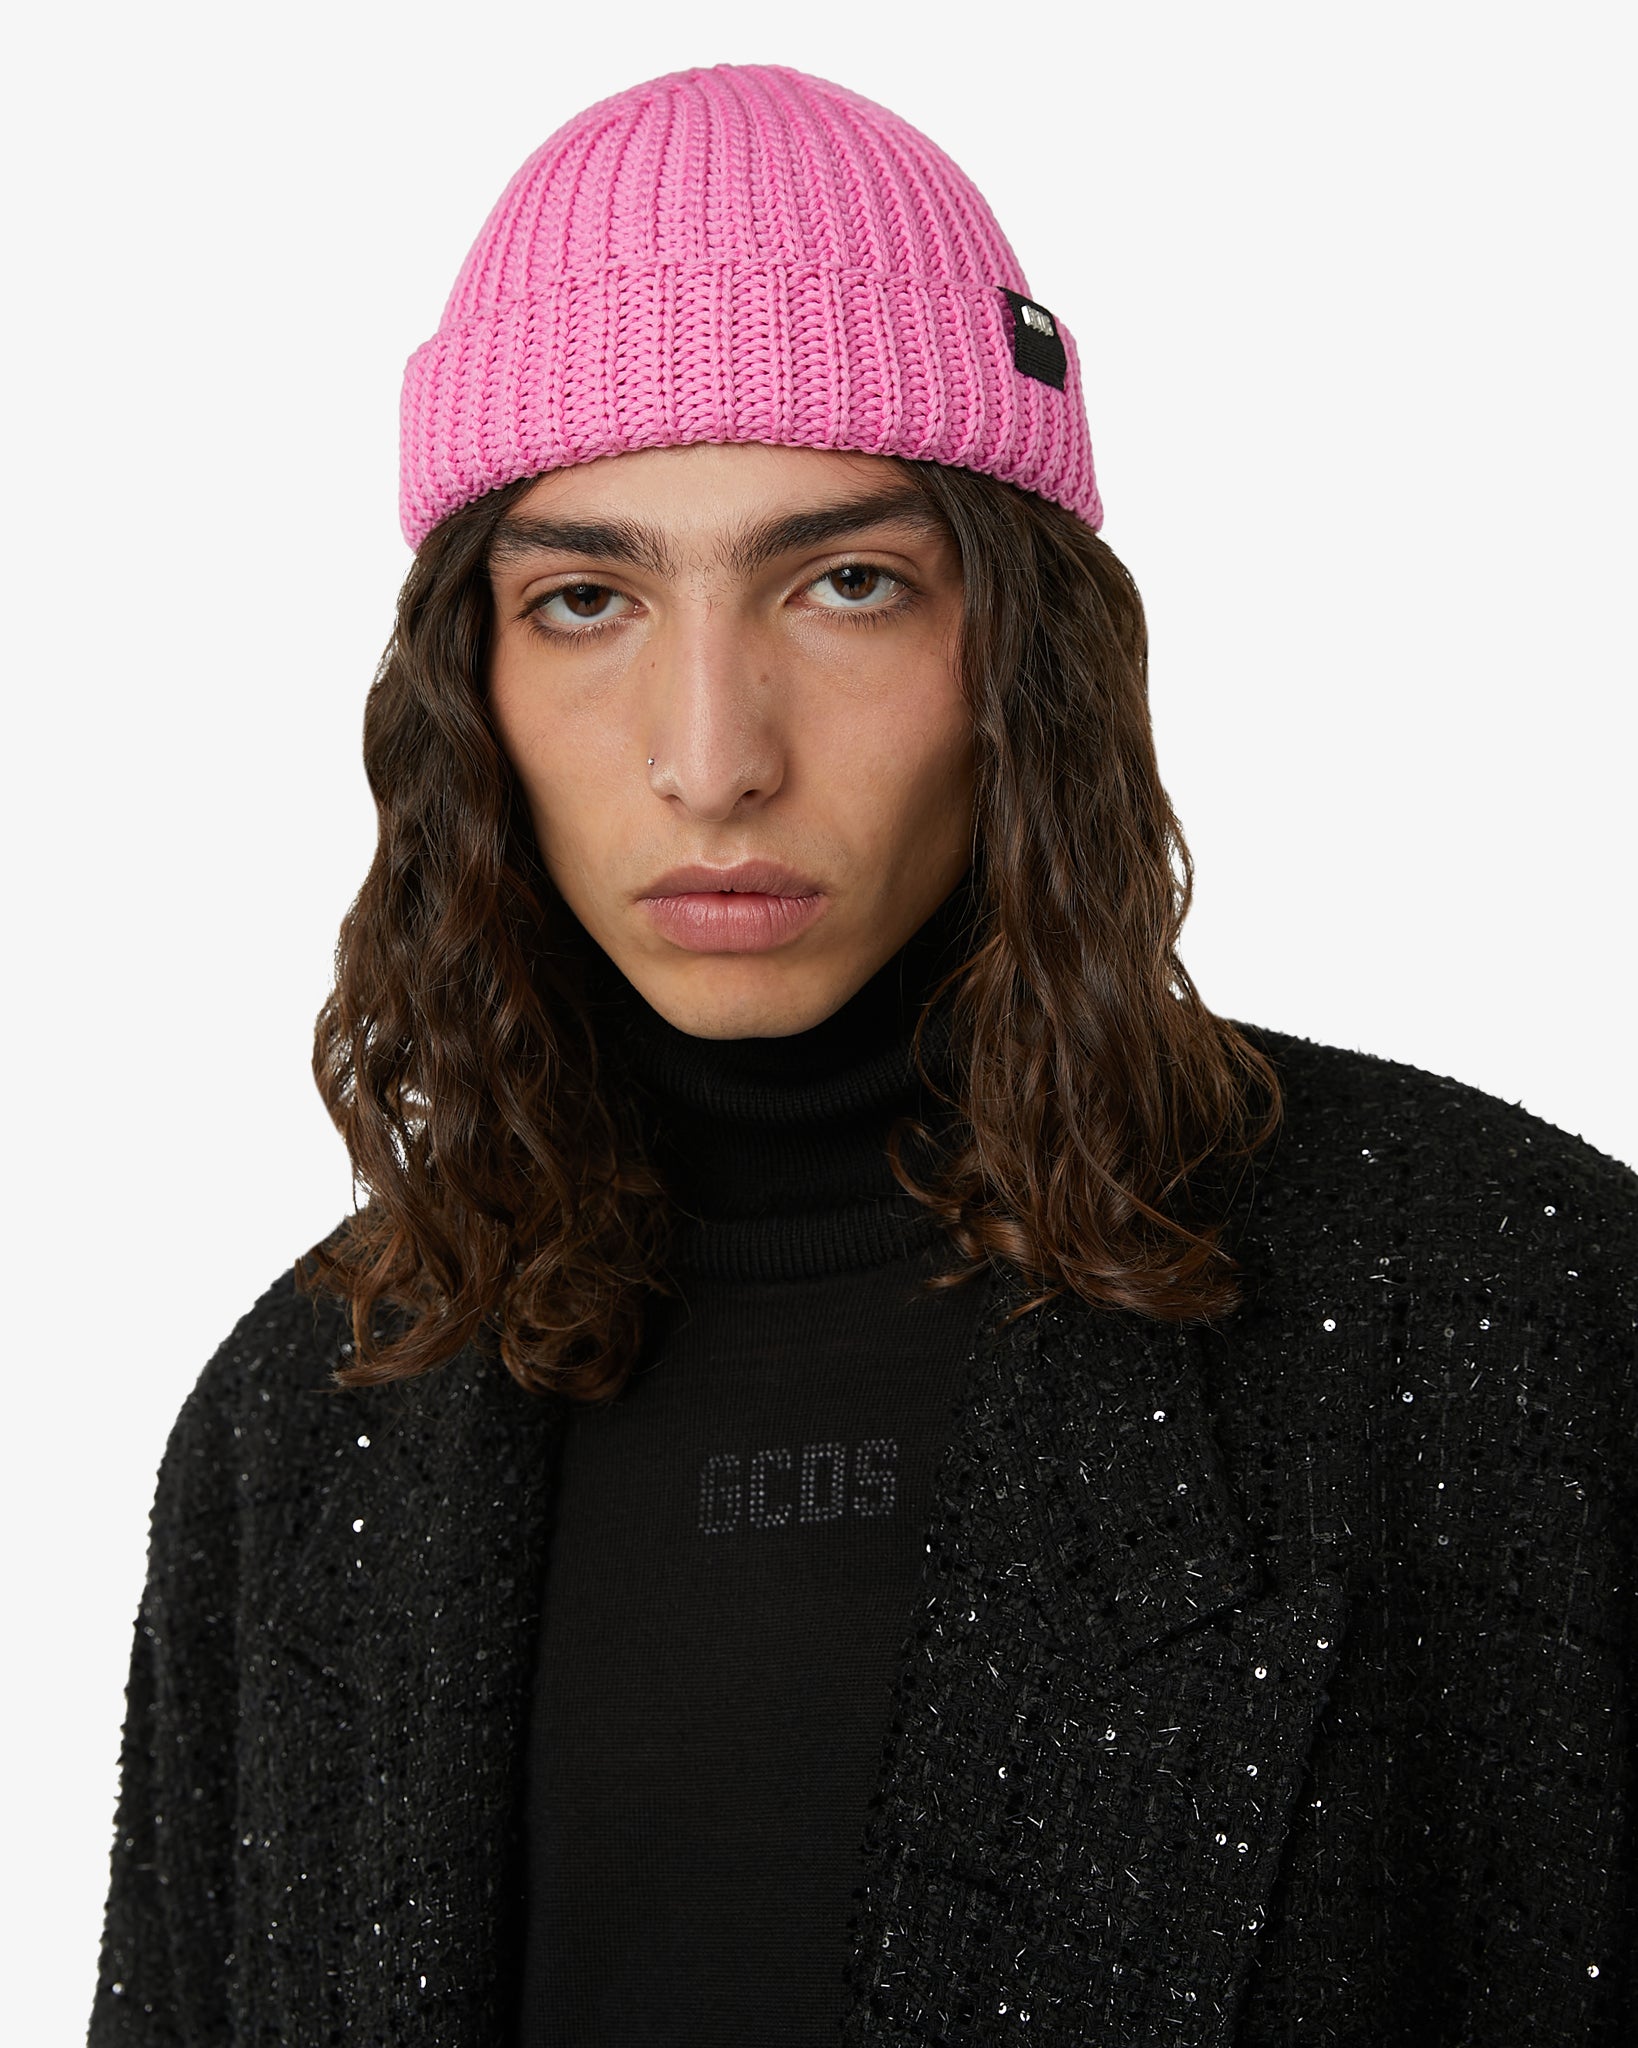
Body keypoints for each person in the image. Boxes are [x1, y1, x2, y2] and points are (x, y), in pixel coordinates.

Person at [88, 61, 1634, 2048]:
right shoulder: (309, 1425)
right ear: (466, 688)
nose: (712, 754)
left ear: (1022, 655)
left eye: (847, 584)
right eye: (585, 598)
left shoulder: (1495, 1306)